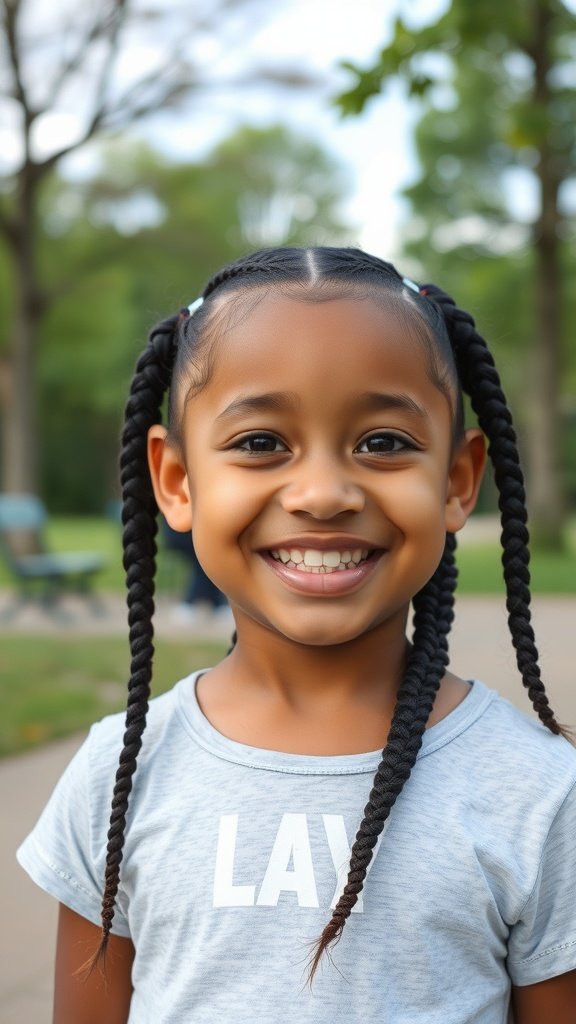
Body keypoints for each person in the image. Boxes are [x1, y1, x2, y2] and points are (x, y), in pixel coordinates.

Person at [17, 247, 576, 1023]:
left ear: (456, 481)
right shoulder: (120, 775)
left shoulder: (540, 795)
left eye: (383, 442)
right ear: (177, 481)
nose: (321, 494)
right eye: (259, 442)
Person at [160, 516, 232, 625]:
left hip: (188, 532)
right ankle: (191, 603)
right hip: (184, 533)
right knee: (207, 559)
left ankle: (214, 603)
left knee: (208, 560)